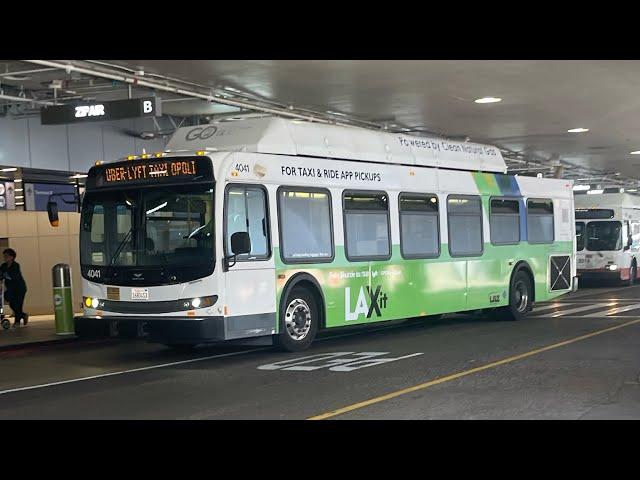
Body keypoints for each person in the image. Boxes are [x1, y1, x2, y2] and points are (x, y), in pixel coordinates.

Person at [0, 248, 29, 328]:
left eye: (6, 256)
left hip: (19, 288)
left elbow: (14, 276)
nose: (5, 258)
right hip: (10, 289)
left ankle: (17, 322)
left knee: (18, 304)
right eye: (4, 256)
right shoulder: (3, 266)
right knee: (12, 303)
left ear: (12, 257)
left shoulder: (16, 265)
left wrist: (6, 275)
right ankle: (23, 315)